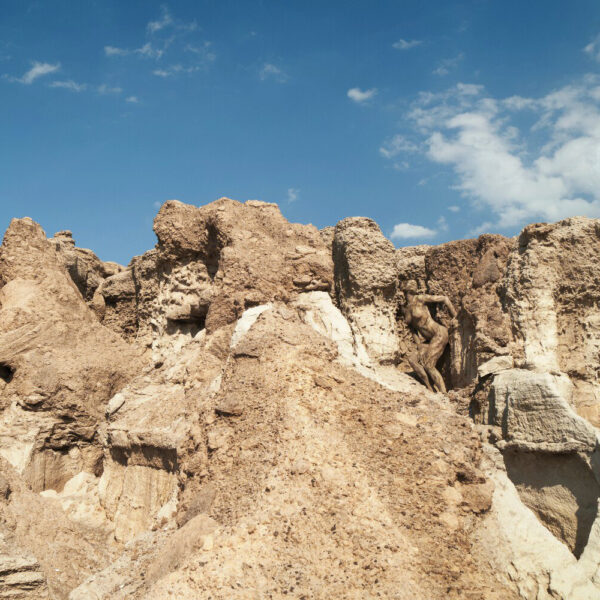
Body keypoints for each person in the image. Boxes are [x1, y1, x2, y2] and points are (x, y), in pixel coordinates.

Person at [401, 280, 457, 394]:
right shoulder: (405, 308)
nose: (414, 285)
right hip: (429, 340)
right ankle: (429, 388)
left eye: (414, 283)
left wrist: (456, 317)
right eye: (411, 283)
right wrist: (419, 345)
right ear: (405, 288)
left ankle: (444, 393)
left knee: (429, 365)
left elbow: (444, 299)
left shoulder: (420, 299)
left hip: (439, 334)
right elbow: (412, 329)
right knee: (412, 359)